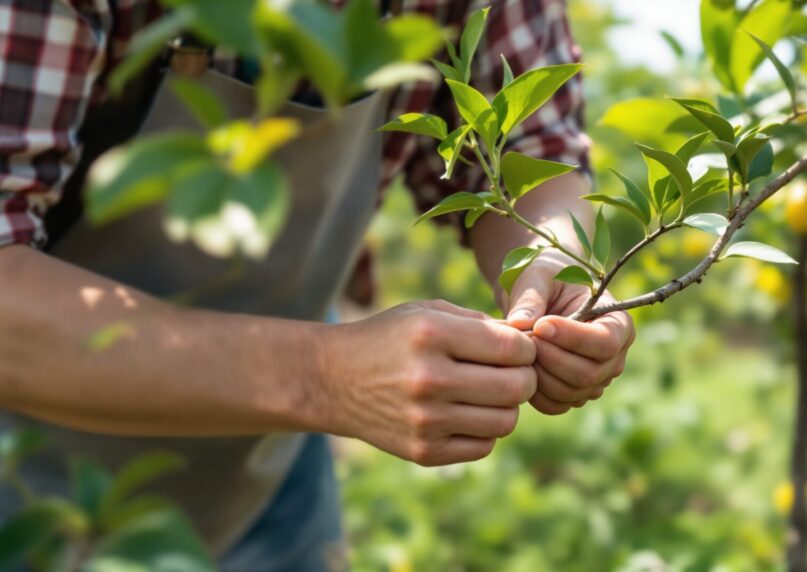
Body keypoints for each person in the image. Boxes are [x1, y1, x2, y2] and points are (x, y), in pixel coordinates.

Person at [0, 0, 634, 568]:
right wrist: (325, 378)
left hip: (268, 473)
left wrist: (556, 264)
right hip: (25, 468)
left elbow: (533, 148)